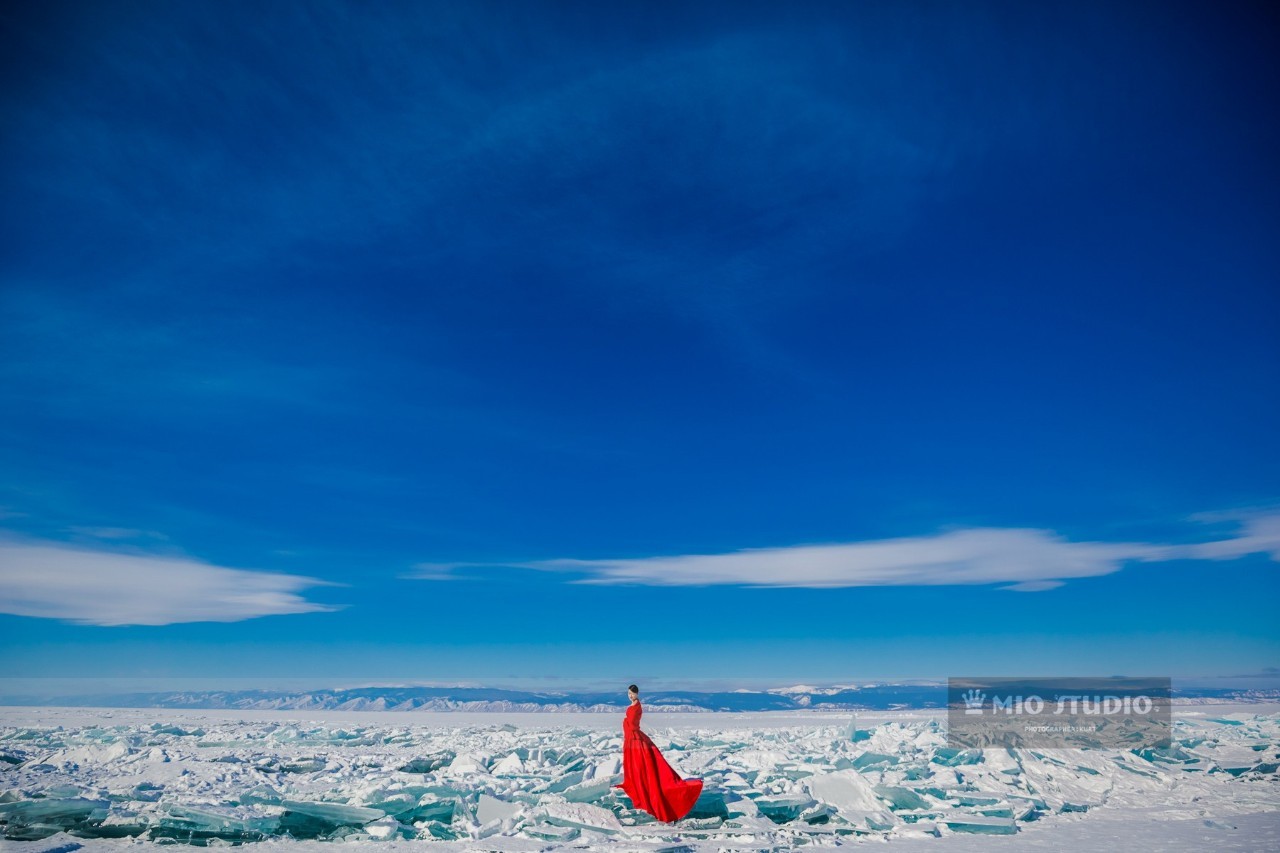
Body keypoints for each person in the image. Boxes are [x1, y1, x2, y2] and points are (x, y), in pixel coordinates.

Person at [612, 684, 703, 822]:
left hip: (635, 739)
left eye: (633, 693)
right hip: (631, 739)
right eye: (629, 693)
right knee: (634, 765)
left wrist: (626, 722)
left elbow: (633, 724)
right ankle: (636, 782)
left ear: (637, 693)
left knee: (640, 765)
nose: (630, 695)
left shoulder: (637, 706)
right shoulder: (633, 705)